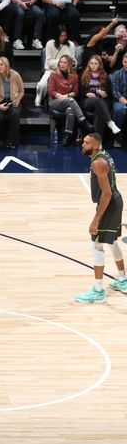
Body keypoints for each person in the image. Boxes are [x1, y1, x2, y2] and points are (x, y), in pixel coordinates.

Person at [75, 133, 126, 303]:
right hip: (115, 202)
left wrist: (96, 219)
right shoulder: (104, 155)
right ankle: (122, 279)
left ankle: (98, 292)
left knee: (96, 242)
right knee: (111, 241)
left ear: (95, 146)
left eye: (86, 143)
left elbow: (106, 193)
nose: (83, 144)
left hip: (110, 203)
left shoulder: (98, 162)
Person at [48, 54, 89, 146]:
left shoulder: (74, 76)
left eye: (65, 62)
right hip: (55, 101)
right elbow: (51, 92)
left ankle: (67, 135)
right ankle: (83, 121)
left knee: (70, 109)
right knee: (71, 101)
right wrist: (61, 97)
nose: (62, 64)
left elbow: (75, 92)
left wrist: (66, 96)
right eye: (61, 62)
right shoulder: (53, 75)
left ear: (69, 64)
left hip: (68, 101)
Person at [80, 55, 121, 139]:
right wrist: (87, 93)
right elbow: (80, 90)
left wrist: (104, 93)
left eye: (95, 63)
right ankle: (110, 123)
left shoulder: (105, 75)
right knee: (96, 100)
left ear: (100, 65)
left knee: (99, 111)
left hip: (103, 101)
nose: (93, 65)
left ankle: (98, 142)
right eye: (91, 63)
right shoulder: (84, 74)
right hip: (88, 101)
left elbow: (109, 91)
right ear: (89, 64)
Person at [0, 56, 24, 148]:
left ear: (6, 65)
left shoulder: (15, 75)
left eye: (1, 64)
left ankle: (12, 141)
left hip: (13, 100)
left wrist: (18, 100)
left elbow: (21, 91)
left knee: (15, 114)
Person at [111, 52, 127, 145]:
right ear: (122, 62)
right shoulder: (117, 74)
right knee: (119, 110)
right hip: (120, 100)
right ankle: (117, 136)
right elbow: (115, 92)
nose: (126, 64)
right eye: (125, 62)